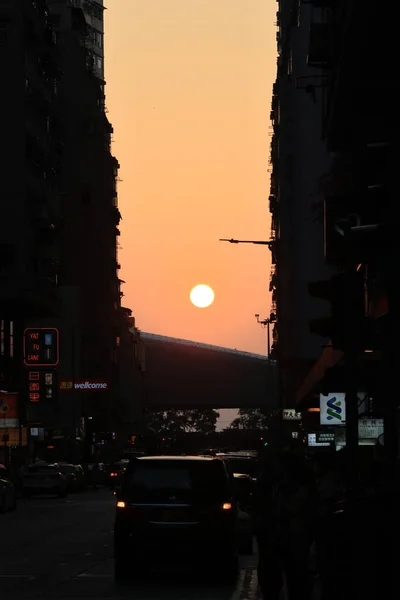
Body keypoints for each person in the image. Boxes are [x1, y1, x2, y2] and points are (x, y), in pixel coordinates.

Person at [256, 449, 316, 600]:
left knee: (296, 581)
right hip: (281, 540)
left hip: (292, 540)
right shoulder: (274, 485)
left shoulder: (297, 488)